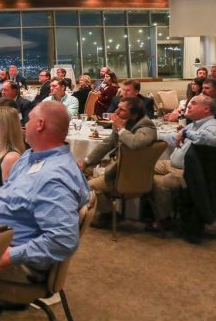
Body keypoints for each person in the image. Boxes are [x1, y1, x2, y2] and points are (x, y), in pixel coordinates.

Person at [0, 101, 89, 287]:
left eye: (28, 120)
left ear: (40, 124)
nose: (25, 125)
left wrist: (10, 256)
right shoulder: (32, 156)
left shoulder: (54, 178)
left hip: (16, 260)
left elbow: (63, 239)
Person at [77, 97, 156, 227]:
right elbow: (108, 144)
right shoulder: (125, 122)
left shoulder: (146, 126)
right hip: (116, 167)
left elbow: (135, 144)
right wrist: (85, 161)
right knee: (80, 170)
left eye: (122, 110)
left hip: (128, 174)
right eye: (118, 107)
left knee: (86, 186)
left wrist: (120, 129)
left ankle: (109, 214)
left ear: (134, 114)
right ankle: (107, 213)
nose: (116, 112)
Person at [149, 95, 216, 231]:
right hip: (172, 164)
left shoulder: (212, 125)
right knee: (141, 167)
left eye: (194, 103)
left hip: (187, 171)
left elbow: (210, 139)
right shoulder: (193, 125)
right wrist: (148, 134)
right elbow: (172, 138)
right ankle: (145, 211)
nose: (188, 105)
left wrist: (185, 132)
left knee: (160, 184)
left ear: (206, 109)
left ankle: (165, 219)